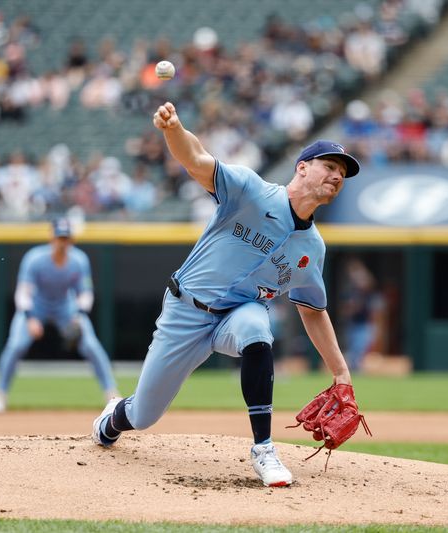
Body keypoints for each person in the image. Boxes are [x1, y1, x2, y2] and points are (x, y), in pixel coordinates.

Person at [90, 101, 360, 488]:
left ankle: (264, 449)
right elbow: (198, 160)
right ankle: (113, 418)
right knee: (144, 414)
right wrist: (173, 130)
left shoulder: (312, 249)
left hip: (238, 314)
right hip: (186, 311)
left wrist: (340, 371)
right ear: (302, 167)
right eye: (330, 167)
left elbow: (313, 311)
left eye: (343, 173)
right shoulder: (250, 190)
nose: (337, 176)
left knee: (256, 327)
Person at [0, 218, 118, 413]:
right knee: (16, 345)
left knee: (91, 346)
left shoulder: (78, 260)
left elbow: (85, 293)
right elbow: (23, 293)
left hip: (66, 307)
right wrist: (30, 318)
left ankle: (111, 395)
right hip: (36, 307)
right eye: (59, 237)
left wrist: (78, 316)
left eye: (65, 238)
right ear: (52, 237)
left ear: (71, 240)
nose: (62, 242)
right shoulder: (35, 258)